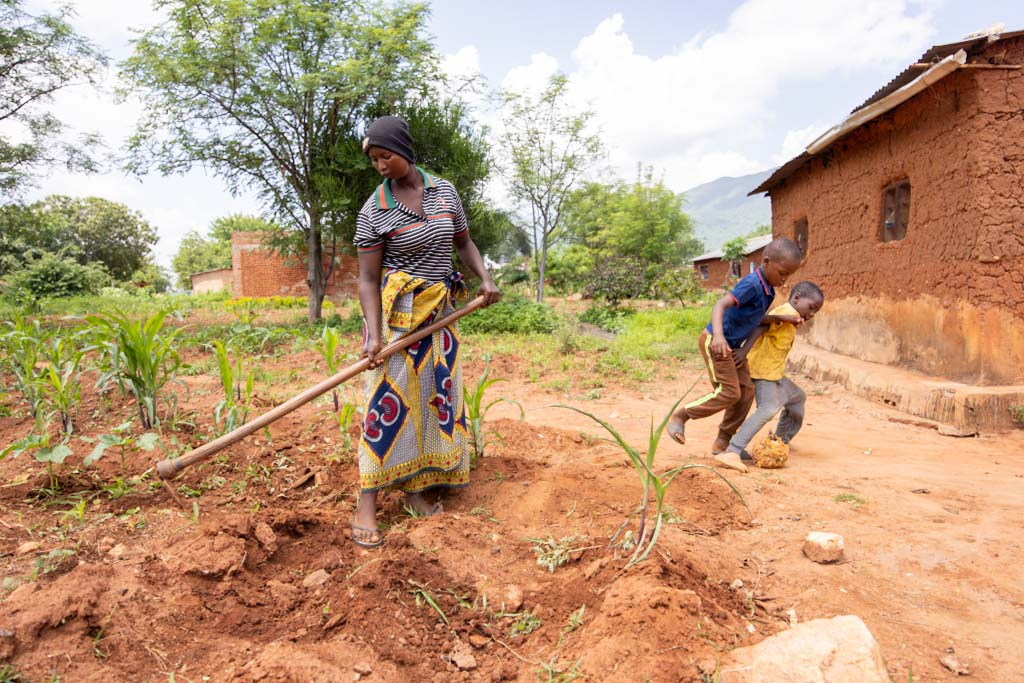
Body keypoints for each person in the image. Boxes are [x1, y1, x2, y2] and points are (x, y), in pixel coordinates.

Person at [351, 115, 500, 548]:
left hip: (442, 317)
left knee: (434, 400)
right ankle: (367, 500)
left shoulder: (445, 192)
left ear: (405, 151)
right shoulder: (374, 210)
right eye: (374, 159)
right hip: (399, 321)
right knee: (385, 403)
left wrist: (485, 278)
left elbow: (463, 242)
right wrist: (375, 337)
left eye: (386, 156)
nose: (380, 165)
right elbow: (366, 280)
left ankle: (417, 489)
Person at [666, 237, 804, 472]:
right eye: (782, 273)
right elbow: (720, 305)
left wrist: (781, 318)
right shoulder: (752, 284)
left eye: (789, 276)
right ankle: (681, 416)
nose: (784, 280)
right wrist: (718, 336)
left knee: (747, 391)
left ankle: (723, 443)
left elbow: (755, 319)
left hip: (733, 346)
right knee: (730, 392)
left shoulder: (768, 290)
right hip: (716, 342)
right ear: (767, 262)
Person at [723, 281, 824, 465]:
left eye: (815, 311)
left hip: (774, 372)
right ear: (797, 298)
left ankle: (779, 441)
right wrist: (744, 351)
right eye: (811, 307)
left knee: (797, 397)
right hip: (762, 372)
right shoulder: (787, 313)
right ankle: (733, 450)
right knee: (768, 409)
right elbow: (761, 325)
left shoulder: (792, 316)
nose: (811, 314)